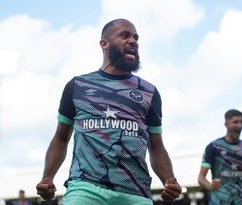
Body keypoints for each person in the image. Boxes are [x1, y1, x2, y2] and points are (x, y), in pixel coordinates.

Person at [35, 18, 181, 205]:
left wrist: (169, 179)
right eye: (125, 36)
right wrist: (48, 177)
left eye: (136, 38)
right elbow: (61, 138)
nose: (133, 41)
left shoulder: (149, 92)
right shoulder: (77, 85)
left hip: (136, 192)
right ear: (104, 44)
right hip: (85, 188)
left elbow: (156, 146)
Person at [198, 109, 242, 205]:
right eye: (235, 122)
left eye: (241, 122)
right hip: (219, 201)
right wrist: (210, 186)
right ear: (226, 124)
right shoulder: (214, 147)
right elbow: (201, 178)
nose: (239, 125)